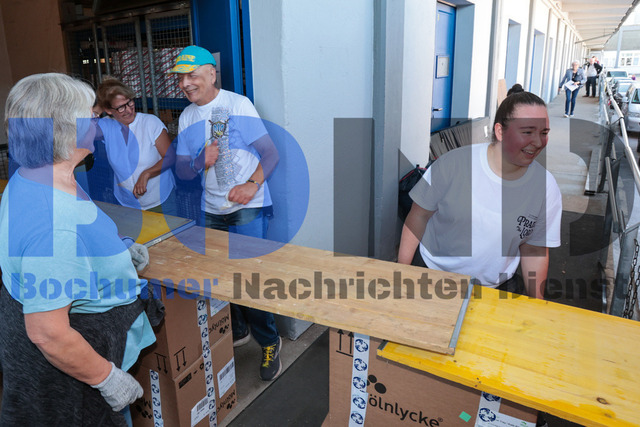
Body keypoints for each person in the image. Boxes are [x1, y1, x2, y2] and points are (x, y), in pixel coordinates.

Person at [0, 73, 160, 425]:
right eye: (92, 115)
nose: (98, 123)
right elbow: (48, 332)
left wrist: (116, 252)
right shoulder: (53, 223)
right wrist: (107, 378)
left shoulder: (37, 175)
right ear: (68, 129)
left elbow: (73, 243)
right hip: (78, 370)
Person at [168, 45, 282, 381]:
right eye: (180, 78)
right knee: (219, 275)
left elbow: (271, 154)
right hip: (212, 208)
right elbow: (182, 172)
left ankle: (270, 341)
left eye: (191, 75)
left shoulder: (238, 105)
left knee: (250, 279)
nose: (185, 83)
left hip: (247, 207)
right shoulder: (187, 117)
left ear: (211, 73)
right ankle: (239, 327)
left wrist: (251, 185)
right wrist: (197, 162)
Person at [398, 86, 562, 299]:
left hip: (494, 289)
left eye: (544, 133)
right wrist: (402, 273)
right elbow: (418, 216)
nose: (538, 142)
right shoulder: (452, 165)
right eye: (527, 132)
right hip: (432, 275)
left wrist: (536, 305)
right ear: (500, 132)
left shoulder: (545, 187)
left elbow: (534, 250)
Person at [96, 77, 176, 215]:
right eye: (120, 107)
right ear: (108, 110)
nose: (128, 110)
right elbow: (81, 130)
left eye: (129, 102)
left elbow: (171, 157)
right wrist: (100, 105)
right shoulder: (106, 126)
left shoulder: (150, 123)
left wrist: (147, 173)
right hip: (127, 203)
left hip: (159, 200)